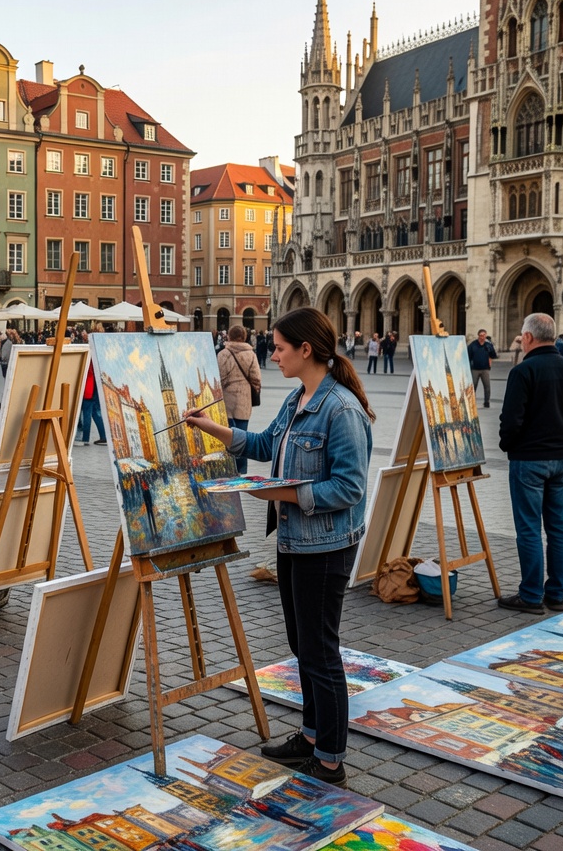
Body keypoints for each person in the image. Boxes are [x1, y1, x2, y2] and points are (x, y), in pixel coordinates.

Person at [185, 306, 374, 788]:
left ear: (306, 350)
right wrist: (209, 427)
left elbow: (350, 488)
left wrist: (281, 493)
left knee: (321, 652)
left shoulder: (342, 409)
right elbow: (265, 444)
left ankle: (330, 761)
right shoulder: (297, 398)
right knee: (301, 645)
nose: (273, 355)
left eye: (280, 347)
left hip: (325, 547)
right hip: (293, 541)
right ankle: (311, 736)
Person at [497, 312, 563, 614]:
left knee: (529, 528)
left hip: (529, 460)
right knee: (558, 527)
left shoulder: (523, 371)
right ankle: (556, 595)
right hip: (562, 460)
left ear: (528, 337)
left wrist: (508, 445)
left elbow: (511, 420)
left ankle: (531, 595)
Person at [216, 325, 260, 473]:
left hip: (226, 401)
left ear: (229, 336)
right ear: (244, 336)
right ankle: (241, 469)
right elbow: (256, 378)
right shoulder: (251, 354)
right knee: (242, 436)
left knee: (226, 435)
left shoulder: (223, 354)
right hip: (244, 401)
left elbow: (219, 378)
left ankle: (228, 467)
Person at [76, 361, 107, 445]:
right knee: (95, 413)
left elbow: (88, 372)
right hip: (96, 386)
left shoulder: (89, 358)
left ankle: (85, 439)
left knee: (87, 413)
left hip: (89, 387)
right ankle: (103, 436)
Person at [466, 329, 498, 408]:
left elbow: (494, 355)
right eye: (480, 335)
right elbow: (468, 356)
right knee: (473, 386)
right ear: (478, 336)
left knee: (487, 386)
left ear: (486, 336)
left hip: (485, 369)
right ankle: (471, 402)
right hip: (475, 369)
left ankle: (486, 402)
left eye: (483, 335)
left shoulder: (488, 345)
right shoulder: (473, 345)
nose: (482, 337)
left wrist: (491, 349)